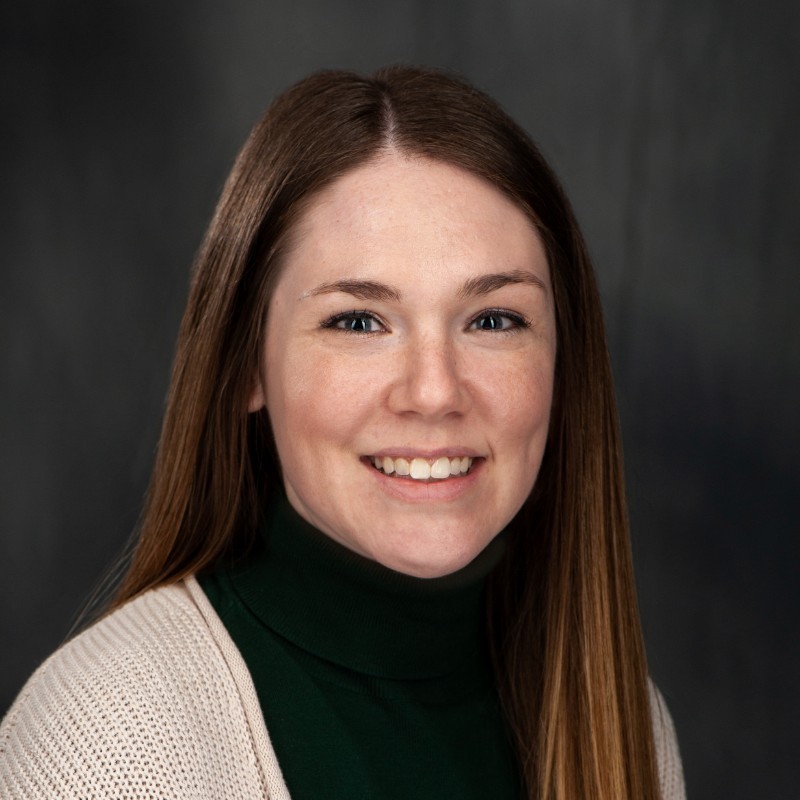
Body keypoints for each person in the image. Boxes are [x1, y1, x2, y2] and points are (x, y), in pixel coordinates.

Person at [0, 66, 685, 800]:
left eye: (493, 320)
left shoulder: (627, 726)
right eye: (358, 322)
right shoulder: (111, 739)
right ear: (245, 367)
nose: (434, 391)